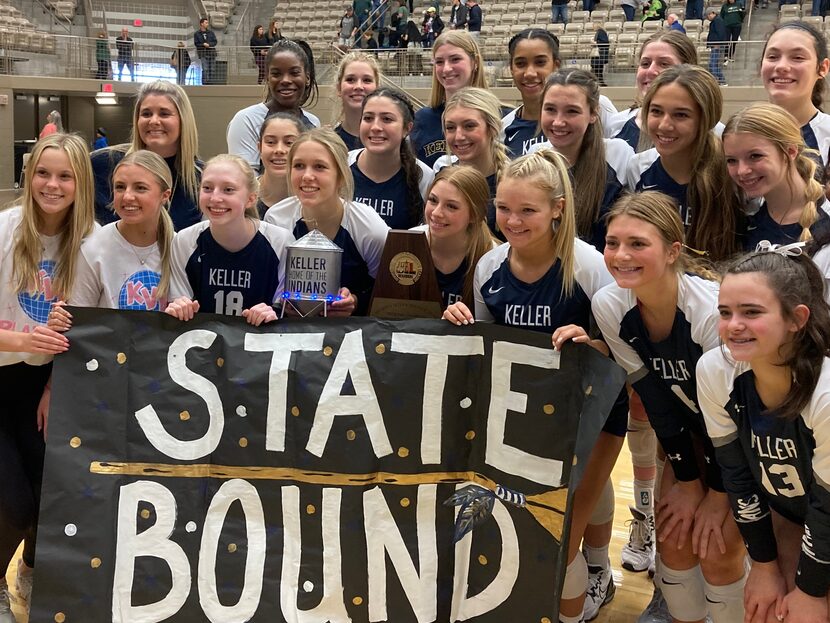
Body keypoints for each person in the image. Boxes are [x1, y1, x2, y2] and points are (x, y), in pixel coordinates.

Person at [442, 150, 627, 623]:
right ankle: (595, 572)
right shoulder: (488, 268)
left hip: (592, 417)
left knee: (561, 539)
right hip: (523, 422)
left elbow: (623, 352)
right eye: (504, 208)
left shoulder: (590, 267)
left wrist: (593, 344)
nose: (513, 220)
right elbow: (484, 354)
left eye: (528, 210)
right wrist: (460, 327)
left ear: (558, 208)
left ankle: (593, 579)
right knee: (538, 533)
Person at [593, 192, 748, 623]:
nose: (621, 255)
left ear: (673, 250)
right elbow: (657, 401)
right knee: (676, 541)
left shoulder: (711, 312)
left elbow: (736, 419)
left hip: (750, 441)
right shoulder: (610, 305)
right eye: (612, 242)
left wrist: (716, 494)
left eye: (638, 243)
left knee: (716, 548)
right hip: (694, 433)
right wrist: (685, 479)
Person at [697, 246, 830, 623]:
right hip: (792, 511)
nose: (733, 325)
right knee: (766, 609)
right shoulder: (715, 371)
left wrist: (810, 591)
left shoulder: (825, 392)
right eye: (725, 313)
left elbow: (828, 507)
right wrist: (764, 565)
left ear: (796, 319)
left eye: (751, 312)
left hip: (824, 511)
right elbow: (737, 475)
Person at [0, 133, 96, 622]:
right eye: (43, 173)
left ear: (81, 183)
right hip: (2, 378)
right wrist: (24, 340)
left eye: (64, 176)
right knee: (11, 503)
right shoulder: (5, 229)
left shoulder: (91, 239)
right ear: (28, 176)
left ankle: (32, 572)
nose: (52, 185)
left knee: (51, 495)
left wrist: (57, 383)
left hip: (45, 387)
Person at [264, 128, 389, 316]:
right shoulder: (276, 219)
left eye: (319, 167)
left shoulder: (370, 228)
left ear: (340, 175)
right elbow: (269, 288)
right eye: (298, 166)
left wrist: (355, 301)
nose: (307, 176)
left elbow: (387, 291)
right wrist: (280, 303)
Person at [626, 64, 741, 261]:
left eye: (681, 115)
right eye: (656, 111)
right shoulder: (638, 167)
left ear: (706, 119)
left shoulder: (732, 173)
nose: (664, 125)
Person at [166, 154, 293, 324]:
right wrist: (179, 308)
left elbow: (287, 311)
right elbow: (180, 304)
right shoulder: (184, 241)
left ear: (251, 199)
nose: (215, 198)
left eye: (228, 190)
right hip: (203, 345)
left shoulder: (280, 242)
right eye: (207, 188)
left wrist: (273, 314)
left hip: (261, 344)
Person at [60, 150, 175, 314]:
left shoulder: (179, 249)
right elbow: (80, 321)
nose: (127, 196)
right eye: (120, 187)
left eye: (140, 188)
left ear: (165, 195)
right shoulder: (93, 248)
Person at [533, 69, 633, 253]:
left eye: (572, 111)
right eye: (550, 109)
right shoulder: (536, 158)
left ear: (594, 113)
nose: (558, 122)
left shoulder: (617, 155)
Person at [91, 80, 203, 232]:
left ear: (183, 120)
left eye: (164, 114)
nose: (154, 121)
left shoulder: (202, 178)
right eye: (146, 114)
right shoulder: (102, 163)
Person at [723, 103, 829, 250]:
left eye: (755, 156)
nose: (742, 171)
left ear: (791, 151)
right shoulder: (744, 222)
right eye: (731, 160)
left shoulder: (824, 224)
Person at [503, 29, 619, 158]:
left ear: (556, 65)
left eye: (540, 62)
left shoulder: (598, 106)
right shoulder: (503, 128)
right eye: (520, 64)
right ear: (511, 69)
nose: (530, 73)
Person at [227, 39, 321, 169]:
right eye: (276, 74)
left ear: (307, 78)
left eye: (294, 73)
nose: (286, 80)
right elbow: (244, 181)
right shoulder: (246, 120)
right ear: (267, 78)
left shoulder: (313, 123)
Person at [413, 165, 498, 307]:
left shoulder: (492, 260)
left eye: (451, 206)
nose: (436, 213)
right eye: (433, 200)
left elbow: (490, 326)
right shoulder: (409, 242)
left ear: (475, 215)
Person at [349, 88, 433, 229]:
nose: (375, 127)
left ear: (407, 128)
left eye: (387, 119)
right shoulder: (341, 166)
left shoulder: (424, 177)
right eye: (368, 118)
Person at [605, 31, 699, 152]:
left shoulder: (712, 131)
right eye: (645, 63)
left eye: (664, 64)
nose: (650, 71)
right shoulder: (616, 124)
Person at [435, 87, 509, 239]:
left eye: (469, 126)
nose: (459, 136)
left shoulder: (512, 181)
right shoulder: (442, 177)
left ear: (492, 128)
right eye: (451, 128)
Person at [410, 30, 487, 167]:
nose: (446, 69)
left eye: (455, 59)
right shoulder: (423, 119)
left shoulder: (500, 116)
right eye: (439, 62)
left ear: (474, 62)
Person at [761, 22, 830, 168]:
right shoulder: (739, 133)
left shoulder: (827, 135)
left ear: (823, 68)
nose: (781, 66)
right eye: (773, 57)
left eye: (798, 57)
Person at [256, 112, 304, 217]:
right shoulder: (242, 196)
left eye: (289, 143)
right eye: (271, 142)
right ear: (259, 148)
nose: (279, 150)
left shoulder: (312, 199)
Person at [333, 51, 380, 151]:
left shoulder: (391, 142)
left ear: (377, 89)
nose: (358, 86)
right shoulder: (329, 144)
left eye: (367, 80)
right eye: (350, 79)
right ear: (339, 88)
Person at [706, 10, 728, 86]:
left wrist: (717, 44)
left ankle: (719, 81)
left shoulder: (718, 21)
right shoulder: (716, 21)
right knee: (714, 64)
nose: (707, 17)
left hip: (717, 45)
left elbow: (720, 33)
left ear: (712, 13)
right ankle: (721, 81)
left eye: (708, 15)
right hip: (715, 45)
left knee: (713, 64)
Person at [194, 18, 217, 85]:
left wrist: (209, 44)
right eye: (206, 22)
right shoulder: (197, 34)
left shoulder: (211, 33)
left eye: (207, 23)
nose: (207, 24)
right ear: (201, 24)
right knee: (205, 68)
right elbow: (196, 43)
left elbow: (215, 42)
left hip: (211, 53)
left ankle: (211, 83)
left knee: (212, 69)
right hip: (203, 53)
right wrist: (203, 44)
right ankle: (205, 83)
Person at [591, 22, 610, 87]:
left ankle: (599, 82)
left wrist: (595, 43)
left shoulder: (601, 32)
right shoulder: (600, 32)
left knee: (598, 69)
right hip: (599, 55)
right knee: (597, 70)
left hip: (599, 55)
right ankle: (599, 82)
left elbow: (604, 42)